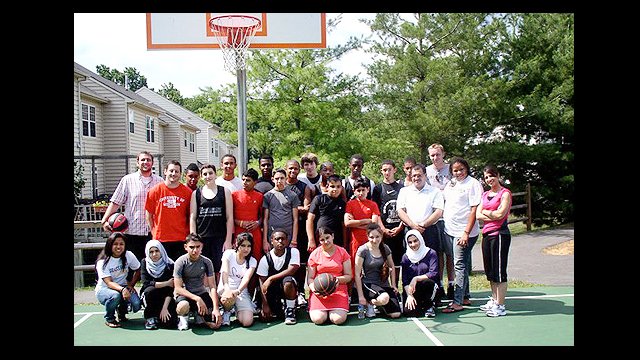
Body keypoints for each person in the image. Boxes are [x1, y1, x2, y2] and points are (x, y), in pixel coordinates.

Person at [100, 151, 163, 260]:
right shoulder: (127, 180)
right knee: (131, 266)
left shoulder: (160, 182)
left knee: (151, 266)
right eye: (142, 160)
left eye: (148, 160)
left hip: (152, 232)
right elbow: (116, 202)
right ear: (137, 163)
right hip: (132, 231)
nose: (145, 162)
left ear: (152, 163)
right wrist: (104, 220)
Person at [441, 157, 484, 314]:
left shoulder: (473, 184)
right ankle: (465, 296)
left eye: (461, 169)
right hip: (450, 230)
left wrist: (466, 232)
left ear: (467, 169)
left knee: (458, 265)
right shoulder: (451, 184)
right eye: (455, 170)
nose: (458, 173)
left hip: (464, 232)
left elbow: (474, 210)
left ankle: (457, 302)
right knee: (461, 263)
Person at [476, 164, 512, 317]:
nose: (489, 179)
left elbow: (501, 214)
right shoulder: (485, 195)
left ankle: (500, 305)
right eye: (486, 177)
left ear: (498, 175)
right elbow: (478, 215)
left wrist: (487, 212)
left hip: (500, 234)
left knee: (499, 271)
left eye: (491, 176)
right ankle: (494, 300)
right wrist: (491, 213)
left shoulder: (505, 193)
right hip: (487, 235)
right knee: (490, 271)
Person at [190, 163, 234, 284]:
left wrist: (228, 240)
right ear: (201, 176)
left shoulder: (225, 191)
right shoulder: (196, 193)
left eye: (210, 173)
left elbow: (230, 217)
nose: (208, 176)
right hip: (202, 237)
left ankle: (220, 295)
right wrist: (193, 240)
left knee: (220, 268)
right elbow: (193, 217)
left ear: (215, 174)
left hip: (220, 237)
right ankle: (207, 295)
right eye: (205, 174)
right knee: (204, 269)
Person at [396, 163, 444, 264]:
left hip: (429, 230)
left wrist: (423, 225)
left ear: (425, 176)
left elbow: (438, 211)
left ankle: (432, 280)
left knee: (431, 260)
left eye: (419, 175)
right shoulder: (404, 191)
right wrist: (413, 226)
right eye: (414, 176)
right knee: (412, 261)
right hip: (410, 230)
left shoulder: (435, 191)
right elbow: (400, 211)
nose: (416, 178)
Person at [145, 160, 193, 261]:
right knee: (163, 270)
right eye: (171, 171)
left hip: (181, 238)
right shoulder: (154, 191)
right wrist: (154, 232)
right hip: (161, 238)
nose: (173, 174)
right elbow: (148, 215)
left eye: (176, 171)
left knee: (179, 270)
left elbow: (191, 216)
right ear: (165, 171)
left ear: (180, 174)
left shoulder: (188, 193)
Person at [173, 233, 223, 331]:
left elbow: (212, 286)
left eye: (198, 247)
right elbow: (178, 288)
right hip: (185, 295)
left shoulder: (207, 262)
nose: (195, 250)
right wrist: (197, 299)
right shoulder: (180, 262)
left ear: (202, 247)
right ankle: (183, 318)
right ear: (185, 247)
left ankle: (199, 315)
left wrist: (216, 308)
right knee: (183, 306)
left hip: (201, 293)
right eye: (191, 247)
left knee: (215, 325)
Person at [425, 143, 454, 301]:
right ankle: (440, 285)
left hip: (450, 217)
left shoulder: (451, 170)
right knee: (438, 254)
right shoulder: (427, 171)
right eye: (432, 155)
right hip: (434, 218)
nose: (435, 158)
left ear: (443, 154)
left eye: (438, 154)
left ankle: (451, 284)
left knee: (450, 253)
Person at [306, 226, 352, 325]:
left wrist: (335, 280)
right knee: (318, 319)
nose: (326, 241)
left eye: (327, 238)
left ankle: (340, 306)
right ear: (319, 241)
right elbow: (310, 278)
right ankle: (318, 307)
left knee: (337, 319)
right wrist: (314, 288)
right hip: (320, 291)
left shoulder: (342, 252)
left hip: (338, 289)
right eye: (322, 239)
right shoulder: (315, 254)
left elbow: (349, 276)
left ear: (333, 236)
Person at [95, 232, 142, 328]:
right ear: (110, 245)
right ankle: (110, 318)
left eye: (121, 244)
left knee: (136, 304)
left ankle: (121, 312)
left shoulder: (129, 255)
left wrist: (131, 285)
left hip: (123, 286)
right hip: (105, 290)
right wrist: (123, 290)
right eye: (115, 244)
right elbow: (108, 282)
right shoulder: (102, 262)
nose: (118, 247)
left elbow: (138, 269)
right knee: (115, 296)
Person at [354, 223, 401, 318]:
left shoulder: (385, 248)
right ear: (367, 236)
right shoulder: (363, 250)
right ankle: (370, 303)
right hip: (369, 284)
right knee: (384, 298)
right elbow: (357, 274)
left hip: (384, 285)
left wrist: (394, 285)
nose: (375, 240)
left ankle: (379, 305)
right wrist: (361, 296)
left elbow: (392, 266)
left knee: (396, 314)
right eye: (371, 237)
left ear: (381, 236)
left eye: (377, 237)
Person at [372, 159, 405, 291]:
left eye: (389, 169)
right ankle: (384, 289)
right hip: (384, 232)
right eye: (384, 170)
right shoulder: (378, 189)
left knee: (397, 262)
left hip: (399, 230)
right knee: (384, 262)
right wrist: (383, 229)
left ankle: (395, 288)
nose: (387, 172)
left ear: (395, 170)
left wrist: (401, 226)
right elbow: (376, 211)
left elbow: (405, 209)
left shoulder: (402, 188)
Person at [257, 229, 301, 325]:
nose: (280, 241)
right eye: (277, 239)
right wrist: (265, 305)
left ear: (287, 240)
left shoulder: (293, 252)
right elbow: (262, 284)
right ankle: (276, 307)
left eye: (283, 239)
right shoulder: (265, 259)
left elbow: (292, 270)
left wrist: (271, 278)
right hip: (273, 292)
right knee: (265, 318)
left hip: (287, 288)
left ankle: (290, 310)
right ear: (271, 241)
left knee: (288, 281)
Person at [284, 159, 313, 306]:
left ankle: (301, 292)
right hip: (283, 229)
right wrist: (297, 207)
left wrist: (291, 208)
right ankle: (287, 293)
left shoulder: (304, 187)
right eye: (290, 168)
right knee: (285, 261)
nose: (293, 171)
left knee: (301, 263)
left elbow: (307, 208)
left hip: (300, 229)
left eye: (296, 169)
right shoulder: (281, 185)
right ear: (285, 169)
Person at [344, 176, 381, 286]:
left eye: (363, 190)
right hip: (355, 242)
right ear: (354, 191)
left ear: (368, 190)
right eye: (358, 190)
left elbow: (374, 224)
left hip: (370, 242)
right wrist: (365, 221)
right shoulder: (351, 204)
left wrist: (356, 223)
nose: (360, 193)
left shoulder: (372, 204)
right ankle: (352, 295)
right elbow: (347, 223)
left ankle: (370, 291)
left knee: (371, 267)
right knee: (355, 268)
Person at [218, 232, 258, 327]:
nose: (246, 249)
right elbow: (225, 272)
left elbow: (246, 278)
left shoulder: (253, 261)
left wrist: (238, 291)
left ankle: (236, 309)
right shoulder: (228, 253)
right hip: (226, 287)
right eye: (243, 245)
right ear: (237, 244)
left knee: (247, 322)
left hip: (240, 292)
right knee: (227, 297)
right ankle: (226, 311)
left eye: (249, 246)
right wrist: (227, 288)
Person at [400, 229, 440, 318]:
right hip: (413, 289)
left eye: (415, 241)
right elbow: (405, 280)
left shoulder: (431, 253)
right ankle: (421, 304)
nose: (413, 244)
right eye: (410, 242)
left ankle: (429, 305)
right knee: (409, 312)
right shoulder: (405, 257)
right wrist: (409, 296)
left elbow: (434, 273)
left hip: (429, 287)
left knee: (427, 283)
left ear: (420, 240)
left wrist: (416, 278)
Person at [140, 240, 178, 330]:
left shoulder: (169, 264)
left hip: (166, 297)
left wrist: (165, 308)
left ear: (161, 251)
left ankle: (160, 314)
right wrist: (166, 283)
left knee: (170, 324)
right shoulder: (145, 262)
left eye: (157, 251)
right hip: (150, 297)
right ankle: (150, 317)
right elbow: (146, 283)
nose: (154, 254)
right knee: (150, 290)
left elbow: (170, 290)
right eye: (151, 252)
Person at [232, 168, 266, 260]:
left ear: (255, 182)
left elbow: (263, 216)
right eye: (243, 180)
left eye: (248, 180)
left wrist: (257, 223)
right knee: (239, 258)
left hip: (255, 233)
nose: (244, 182)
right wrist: (240, 222)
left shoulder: (260, 196)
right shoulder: (234, 195)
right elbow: (229, 216)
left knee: (255, 258)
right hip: (238, 232)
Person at [262, 168, 300, 250]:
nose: (279, 180)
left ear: (286, 179)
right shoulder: (267, 196)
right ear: (272, 179)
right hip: (272, 235)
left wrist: (294, 239)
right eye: (277, 178)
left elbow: (295, 219)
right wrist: (265, 241)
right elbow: (265, 220)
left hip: (288, 235)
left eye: (282, 178)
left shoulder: (293, 195)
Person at [307, 174, 347, 250]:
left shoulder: (342, 203)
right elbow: (309, 220)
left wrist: (345, 244)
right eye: (332, 186)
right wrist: (311, 240)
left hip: (337, 240)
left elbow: (343, 225)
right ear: (327, 187)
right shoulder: (319, 199)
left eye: (338, 186)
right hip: (320, 239)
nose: (335, 189)